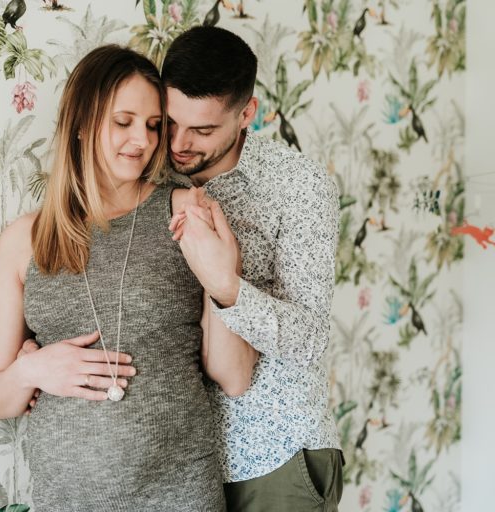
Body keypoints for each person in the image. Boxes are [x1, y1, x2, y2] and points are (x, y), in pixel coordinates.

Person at [0, 44, 255, 510]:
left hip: (180, 494)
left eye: (152, 126)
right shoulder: (25, 239)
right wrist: (33, 369)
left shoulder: (186, 213)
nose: (143, 142)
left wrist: (225, 280)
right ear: (84, 124)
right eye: (123, 122)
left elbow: (234, 375)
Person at [163, 26, 344, 511]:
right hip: (174, 469)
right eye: (170, 123)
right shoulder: (149, 172)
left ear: (247, 114)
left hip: (272, 461)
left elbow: (308, 337)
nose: (179, 144)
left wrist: (229, 288)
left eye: (202, 131)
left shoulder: (299, 186)